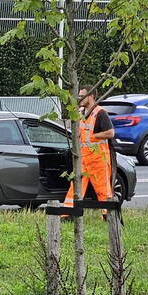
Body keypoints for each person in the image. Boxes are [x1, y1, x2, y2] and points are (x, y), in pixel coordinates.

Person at [63, 85, 115, 219]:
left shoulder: (100, 112)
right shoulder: (80, 112)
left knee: (103, 190)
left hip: (98, 158)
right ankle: (68, 214)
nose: (79, 98)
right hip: (83, 158)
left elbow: (110, 133)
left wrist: (93, 136)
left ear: (90, 96)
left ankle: (107, 215)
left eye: (81, 96)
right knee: (75, 187)